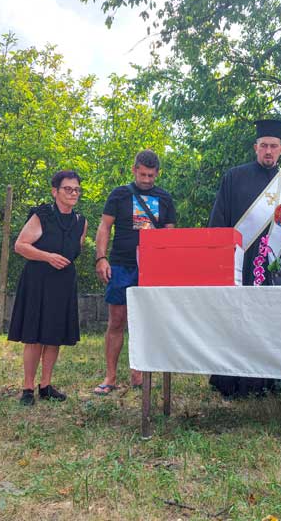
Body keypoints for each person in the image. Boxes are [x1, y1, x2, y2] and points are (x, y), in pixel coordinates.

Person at [207, 119, 281, 397]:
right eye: (264, 145)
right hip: (239, 262)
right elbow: (219, 221)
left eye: (274, 146)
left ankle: (268, 380)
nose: (268, 151)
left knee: (271, 321)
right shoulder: (234, 177)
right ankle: (231, 381)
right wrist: (219, 258)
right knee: (235, 320)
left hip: (273, 263)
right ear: (256, 147)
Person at [94, 150, 176, 395]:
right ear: (134, 170)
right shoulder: (119, 194)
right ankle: (110, 377)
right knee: (117, 320)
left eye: (151, 175)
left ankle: (139, 373)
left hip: (153, 268)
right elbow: (104, 226)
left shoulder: (165, 198)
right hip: (121, 265)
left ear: (157, 173)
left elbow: (170, 234)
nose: (147, 180)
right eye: (143, 175)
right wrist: (101, 258)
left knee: (147, 322)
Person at [8, 171, 87, 405]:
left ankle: (46, 386)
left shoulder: (81, 222)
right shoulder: (41, 215)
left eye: (76, 189)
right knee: (34, 336)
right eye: (68, 189)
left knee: (54, 335)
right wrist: (47, 256)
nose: (73, 193)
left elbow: (75, 250)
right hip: (38, 281)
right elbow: (20, 245)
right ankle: (27, 388)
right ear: (55, 191)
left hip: (63, 282)